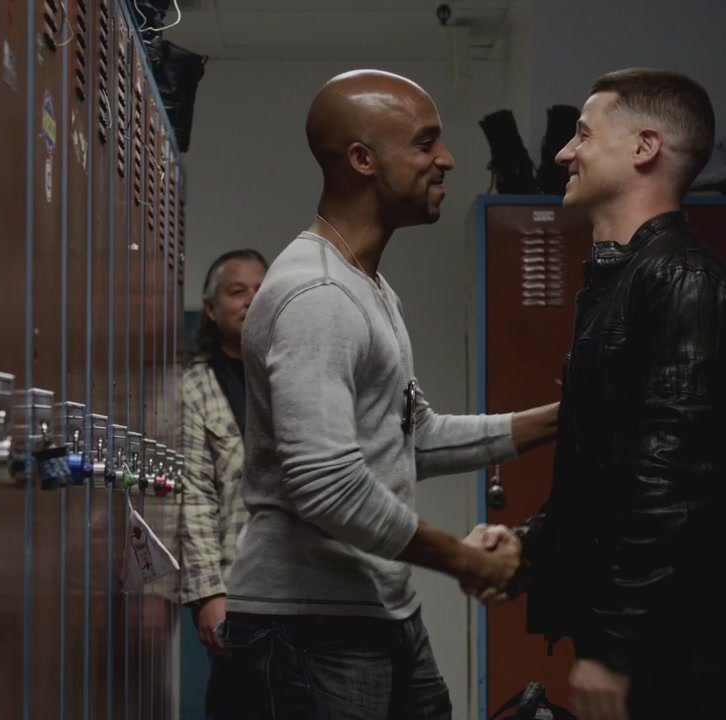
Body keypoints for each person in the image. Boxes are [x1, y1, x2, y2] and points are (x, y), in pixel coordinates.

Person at [218, 69, 560, 719]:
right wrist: (462, 559)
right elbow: (327, 484)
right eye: (426, 143)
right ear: (362, 160)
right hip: (310, 630)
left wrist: (561, 419)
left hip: (378, 612)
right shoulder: (319, 295)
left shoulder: (367, 287)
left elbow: (413, 437)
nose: (447, 160)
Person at [477, 68, 726, 720]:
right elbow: (604, 475)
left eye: (582, 134)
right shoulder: (625, 279)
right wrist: (526, 547)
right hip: (643, 636)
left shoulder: (684, 282)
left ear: (644, 147)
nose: (563, 153)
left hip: (672, 649)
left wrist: (617, 650)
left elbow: (669, 489)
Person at [177, 248, 267, 719]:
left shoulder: (290, 377)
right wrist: (209, 595)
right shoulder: (194, 387)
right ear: (211, 309)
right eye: (238, 291)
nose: (252, 300)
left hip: (303, 585)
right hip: (237, 587)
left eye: (262, 290)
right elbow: (193, 497)